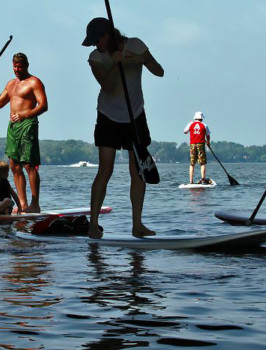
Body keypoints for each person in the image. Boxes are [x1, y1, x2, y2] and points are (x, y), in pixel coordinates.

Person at [82, 17, 164, 238]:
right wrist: (116, 62)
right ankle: (93, 225)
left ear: (107, 36)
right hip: (108, 116)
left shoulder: (135, 44)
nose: (95, 45)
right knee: (105, 170)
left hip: (135, 115)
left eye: (97, 40)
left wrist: (139, 59)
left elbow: (159, 71)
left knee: (137, 171)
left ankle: (137, 225)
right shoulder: (95, 57)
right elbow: (107, 87)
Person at [0, 52, 48, 213]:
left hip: (28, 125)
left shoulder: (34, 82)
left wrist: (24, 115)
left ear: (26, 66)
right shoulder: (11, 84)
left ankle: (35, 204)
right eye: (15, 66)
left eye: (20, 66)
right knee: (14, 165)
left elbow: (43, 105)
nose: (17, 69)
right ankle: (23, 204)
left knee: (29, 165)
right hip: (13, 127)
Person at [183, 112, 212, 184]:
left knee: (192, 163)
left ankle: (191, 181)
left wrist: (190, 126)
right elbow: (208, 136)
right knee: (202, 163)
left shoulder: (190, 124)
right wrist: (208, 143)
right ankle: (203, 179)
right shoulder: (204, 125)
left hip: (192, 145)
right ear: (202, 118)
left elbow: (185, 132)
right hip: (201, 145)